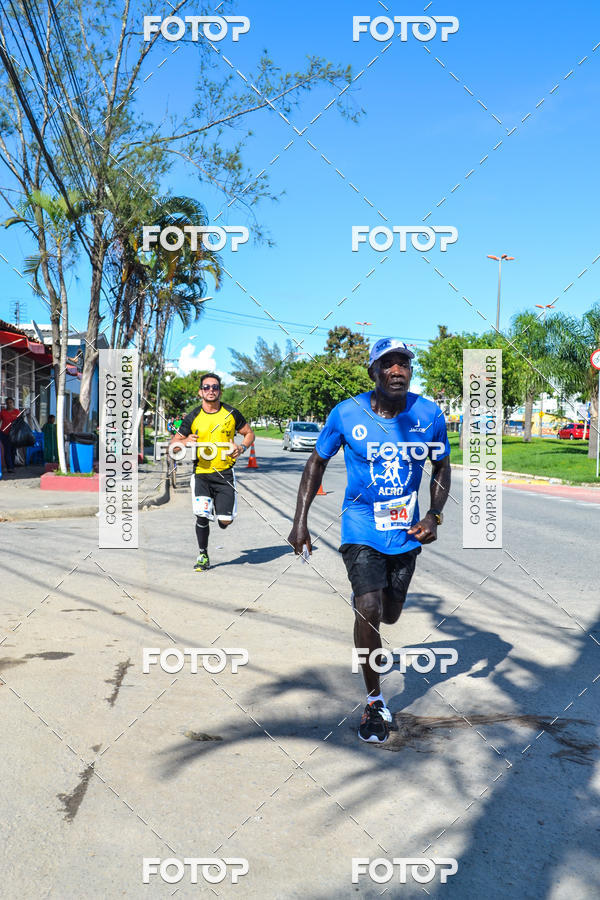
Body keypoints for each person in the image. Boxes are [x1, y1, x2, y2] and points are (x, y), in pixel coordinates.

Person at [288, 338, 451, 744]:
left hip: (406, 533)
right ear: (374, 372)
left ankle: (372, 615)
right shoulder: (347, 413)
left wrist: (433, 514)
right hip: (360, 527)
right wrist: (300, 521)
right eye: (388, 364)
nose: (397, 370)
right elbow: (316, 462)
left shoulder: (429, 414)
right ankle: (374, 701)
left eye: (404, 364)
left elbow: (441, 465)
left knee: (390, 614)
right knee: (369, 608)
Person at [169, 373, 255, 571]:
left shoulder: (231, 413)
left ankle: (219, 509)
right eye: (206, 387)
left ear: (220, 391)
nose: (210, 390)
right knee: (202, 516)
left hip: (225, 474)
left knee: (225, 521)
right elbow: (174, 443)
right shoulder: (193, 416)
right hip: (201, 473)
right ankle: (203, 555)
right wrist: (185, 441)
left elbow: (249, 433)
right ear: (200, 392)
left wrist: (241, 447)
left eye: (214, 387)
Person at [0, 397, 21, 472]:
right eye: (7, 403)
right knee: (7, 450)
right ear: (6, 404)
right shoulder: (2, 412)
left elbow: (20, 422)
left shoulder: (17, 412)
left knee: (13, 450)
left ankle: (12, 465)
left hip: (14, 434)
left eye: (10, 402)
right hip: (4, 433)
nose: (9, 404)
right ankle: (10, 467)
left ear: (13, 403)